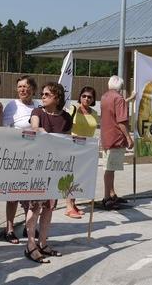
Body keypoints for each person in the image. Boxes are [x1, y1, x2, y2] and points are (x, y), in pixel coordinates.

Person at [24, 82, 72, 264]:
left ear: (57, 98)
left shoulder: (66, 118)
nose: (42, 97)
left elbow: (68, 141)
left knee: (49, 207)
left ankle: (43, 243)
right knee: (34, 207)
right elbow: (35, 128)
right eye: (42, 94)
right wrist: (41, 131)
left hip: (55, 169)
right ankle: (30, 246)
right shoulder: (37, 112)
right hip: (37, 169)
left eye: (46, 94)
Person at [2, 75, 39, 244]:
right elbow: (5, 130)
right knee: (13, 195)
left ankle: (29, 226)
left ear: (33, 89)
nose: (23, 90)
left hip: (33, 158)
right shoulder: (12, 106)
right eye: (20, 87)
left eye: (26, 86)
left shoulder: (38, 106)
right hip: (15, 157)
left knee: (30, 195)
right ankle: (9, 229)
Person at [99, 75, 134, 210]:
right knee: (109, 168)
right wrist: (128, 138)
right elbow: (121, 121)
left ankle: (111, 194)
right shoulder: (118, 98)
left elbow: (115, 108)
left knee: (110, 167)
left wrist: (129, 99)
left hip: (106, 137)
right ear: (121, 87)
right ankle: (107, 198)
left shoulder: (105, 97)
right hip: (116, 137)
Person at [65, 86, 99, 218]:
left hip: (87, 150)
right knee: (71, 177)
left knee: (80, 178)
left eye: (90, 97)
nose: (86, 99)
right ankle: (68, 206)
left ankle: (73, 203)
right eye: (84, 96)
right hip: (73, 147)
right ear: (80, 96)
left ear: (93, 99)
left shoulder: (94, 113)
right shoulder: (73, 109)